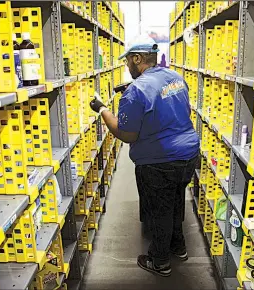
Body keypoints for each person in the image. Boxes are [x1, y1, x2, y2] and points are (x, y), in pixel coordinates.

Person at [89, 34, 200, 277]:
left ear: (137, 58)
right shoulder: (175, 77)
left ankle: (160, 261)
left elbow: (126, 133)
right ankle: (178, 247)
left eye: (128, 61)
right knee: (175, 201)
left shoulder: (135, 91)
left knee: (159, 210)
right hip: (189, 155)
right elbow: (182, 109)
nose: (126, 66)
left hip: (160, 162)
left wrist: (103, 109)